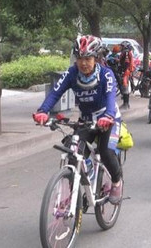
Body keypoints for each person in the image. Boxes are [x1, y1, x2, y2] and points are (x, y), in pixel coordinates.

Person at [32, 35, 123, 204]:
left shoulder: (106, 74)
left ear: (96, 58)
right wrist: (43, 111)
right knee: (72, 152)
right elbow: (55, 93)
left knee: (106, 151)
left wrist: (108, 116)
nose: (83, 63)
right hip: (86, 120)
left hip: (108, 118)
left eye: (88, 58)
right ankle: (83, 181)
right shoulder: (72, 73)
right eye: (79, 58)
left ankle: (117, 182)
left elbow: (111, 97)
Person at [118, 40, 136, 109]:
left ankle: (126, 103)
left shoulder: (126, 53)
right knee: (125, 85)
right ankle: (126, 103)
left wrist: (124, 70)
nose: (121, 48)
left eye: (122, 46)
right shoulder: (127, 53)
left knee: (125, 85)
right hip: (127, 70)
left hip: (126, 71)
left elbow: (127, 63)